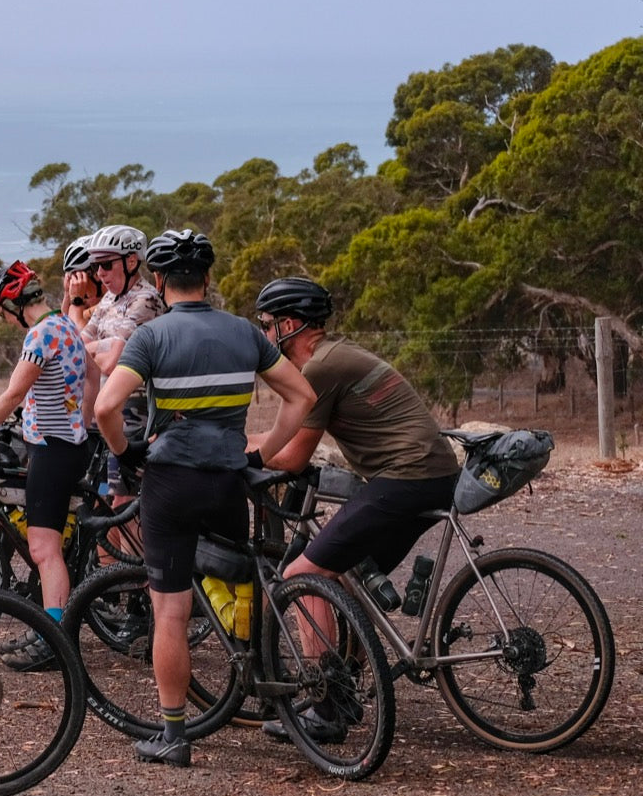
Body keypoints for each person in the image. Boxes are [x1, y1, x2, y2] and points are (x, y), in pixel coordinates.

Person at [92, 229, 315, 768]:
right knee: (240, 583)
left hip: (171, 480)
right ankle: (261, 688)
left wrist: (127, 455)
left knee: (169, 610)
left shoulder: (151, 338)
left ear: (161, 281)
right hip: (228, 477)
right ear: (209, 278)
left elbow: (105, 409)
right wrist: (261, 456)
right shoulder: (245, 333)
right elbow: (302, 396)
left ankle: (174, 733)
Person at [250, 276, 458, 743]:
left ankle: (327, 709)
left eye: (265, 326)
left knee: (302, 575)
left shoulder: (319, 369)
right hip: (430, 475)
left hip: (404, 478)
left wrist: (231, 456)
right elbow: (279, 439)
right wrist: (242, 443)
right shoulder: (333, 357)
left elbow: (292, 456)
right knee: (348, 576)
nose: (263, 338)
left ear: (288, 325)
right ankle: (348, 687)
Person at [0, 262, 95, 670]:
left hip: (52, 449)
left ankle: (56, 640)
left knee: (44, 549)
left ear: (12, 304)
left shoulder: (41, 333)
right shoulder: (65, 325)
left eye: (1, 312)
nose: (5, 321)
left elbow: (12, 395)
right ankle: (50, 625)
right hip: (67, 443)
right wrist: (82, 419)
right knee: (48, 546)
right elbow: (89, 381)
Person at [64, 224, 164, 500]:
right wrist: (98, 346)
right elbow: (75, 344)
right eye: (97, 266)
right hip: (106, 410)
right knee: (101, 507)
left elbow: (111, 362)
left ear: (131, 261)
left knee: (122, 503)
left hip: (133, 411)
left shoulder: (145, 299)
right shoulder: (109, 299)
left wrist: (94, 347)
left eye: (106, 264)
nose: (99, 274)